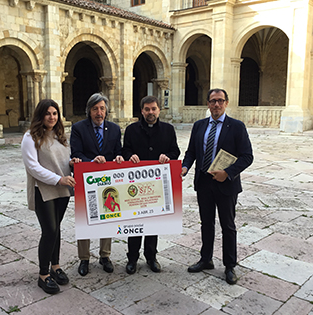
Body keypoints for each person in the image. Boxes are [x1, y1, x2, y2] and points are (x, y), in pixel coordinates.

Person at [181, 88, 253, 285]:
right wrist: (185, 167)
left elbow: (247, 156)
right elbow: (191, 152)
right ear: (208, 103)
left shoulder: (236, 127)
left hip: (226, 184)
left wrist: (228, 173)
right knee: (206, 224)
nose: (216, 105)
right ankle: (206, 259)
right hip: (203, 183)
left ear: (226, 103)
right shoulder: (199, 126)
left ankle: (230, 266)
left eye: (220, 101)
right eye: (213, 101)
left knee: (228, 226)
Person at [21, 99, 80, 294]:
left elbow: (61, 160)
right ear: (40, 115)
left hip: (61, 189)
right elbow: (33, 167)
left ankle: (55, 265)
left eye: (55, 113)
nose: (52, 117)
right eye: (48, 113)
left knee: (56, 229)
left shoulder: (60, 135)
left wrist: (72, 162)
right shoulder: (30, 137)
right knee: (49, 231)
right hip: (44, 189)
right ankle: (43, 274)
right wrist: (58, 179)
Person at [122, 95, 180, 274]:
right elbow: (125, 150)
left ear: (159, 110)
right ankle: (132, 258)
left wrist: (167, 156)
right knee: (135, 222)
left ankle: (151, 257)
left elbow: (175, 151)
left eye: (153, 109)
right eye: (147, 109)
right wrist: (130, 156)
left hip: (155, 185)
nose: (150, 112)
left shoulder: (168, 130)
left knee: (153, 222)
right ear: (142, 111)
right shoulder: (131, 130)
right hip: (135, 184)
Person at [70, 92, 124, 276]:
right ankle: (84, 258)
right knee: (85, 218)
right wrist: (92, 160)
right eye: (95, 109)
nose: (99, 112)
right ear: (89, 111)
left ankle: (105, 255)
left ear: (106, 111)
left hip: (108, 182)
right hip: (87, 180)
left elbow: (118, 152)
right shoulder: (78, 128)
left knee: (108, 216)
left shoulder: (115, 129)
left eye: (102, 108)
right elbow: (76, 154)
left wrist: (119, 157)